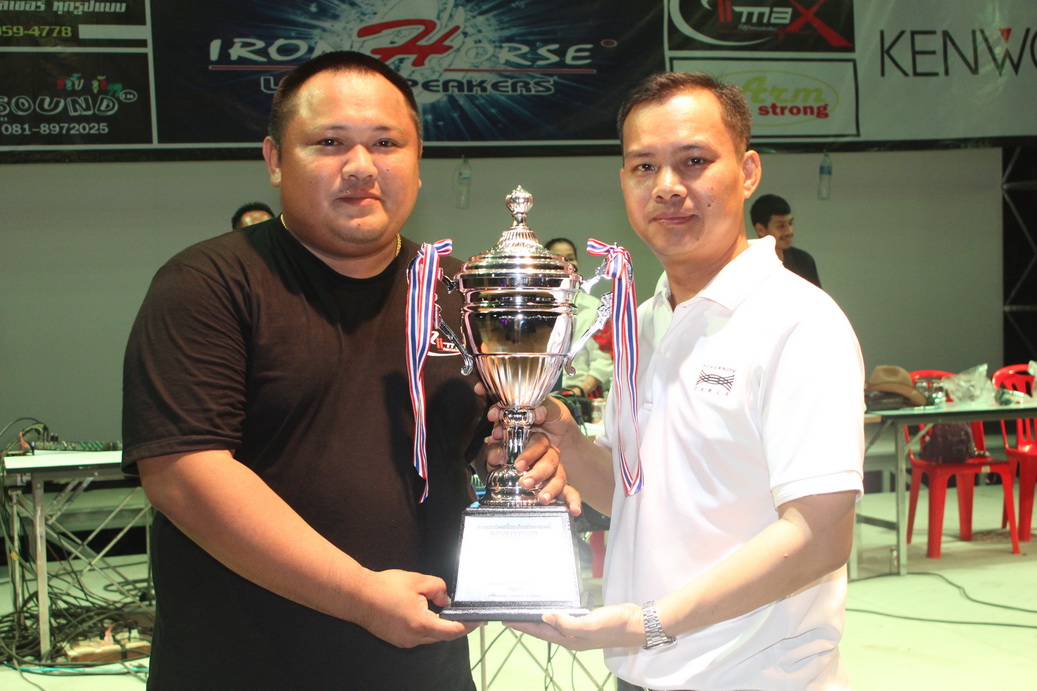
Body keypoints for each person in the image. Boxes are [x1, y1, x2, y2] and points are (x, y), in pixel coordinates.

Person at [122, 51, 575, 690]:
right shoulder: (208, 285)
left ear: (417, 161)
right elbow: (184, 475)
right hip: (245, 668)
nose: (361, 166)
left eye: (386, 143)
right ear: (275, 159)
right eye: (329, 142)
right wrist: (359, 594)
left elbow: (476, 440)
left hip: (423, 670)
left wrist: (517, 458)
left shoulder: (457, 292)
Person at [503, 72, 865, 690]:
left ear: (747, 171)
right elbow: (635, 495)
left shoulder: (799, 322)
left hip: (754, 679)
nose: (667, 186)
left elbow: (820, 535)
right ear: (624, 181)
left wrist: (649, 622)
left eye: (694, 161)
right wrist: (568, 442)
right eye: (644, 167)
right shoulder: (645, 322)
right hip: (642, 671)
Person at [545, 237, 613, 399]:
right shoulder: (533, 306)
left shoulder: (595, 307)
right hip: (539, 395)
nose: (567, 264)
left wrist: (579, 391)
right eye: (558, 259)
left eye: (570, 258)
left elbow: (604, 359)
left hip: (581, 395)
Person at [750, 193, 822, 287]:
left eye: (790, 223)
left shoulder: (803, 261)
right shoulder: (748, 265)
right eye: (781, 226)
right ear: (761, 230)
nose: (789, 231)